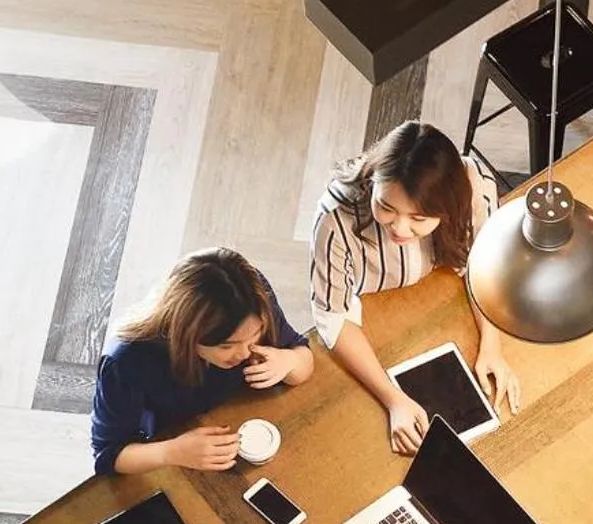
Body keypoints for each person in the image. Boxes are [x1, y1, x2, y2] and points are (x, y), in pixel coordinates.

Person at [307, 121, 519, 455]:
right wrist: (393, 400)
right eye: (386, 208)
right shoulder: (336, 217)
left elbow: (483, 267)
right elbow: (332, 316)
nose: (400, 227)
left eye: (418, 218)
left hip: (438, 304)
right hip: (377, 320)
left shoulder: (475, 187)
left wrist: (491, 345)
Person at [90, 248, 314, 475]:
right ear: (186, 334)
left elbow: (302, 356)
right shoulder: (126, 360)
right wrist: (171, 452)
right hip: (178, 443)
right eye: (227, 346)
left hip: (245, 417)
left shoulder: (251, 298)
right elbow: (107, 456)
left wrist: (289, 360)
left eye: (256, 334)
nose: (245, 354)